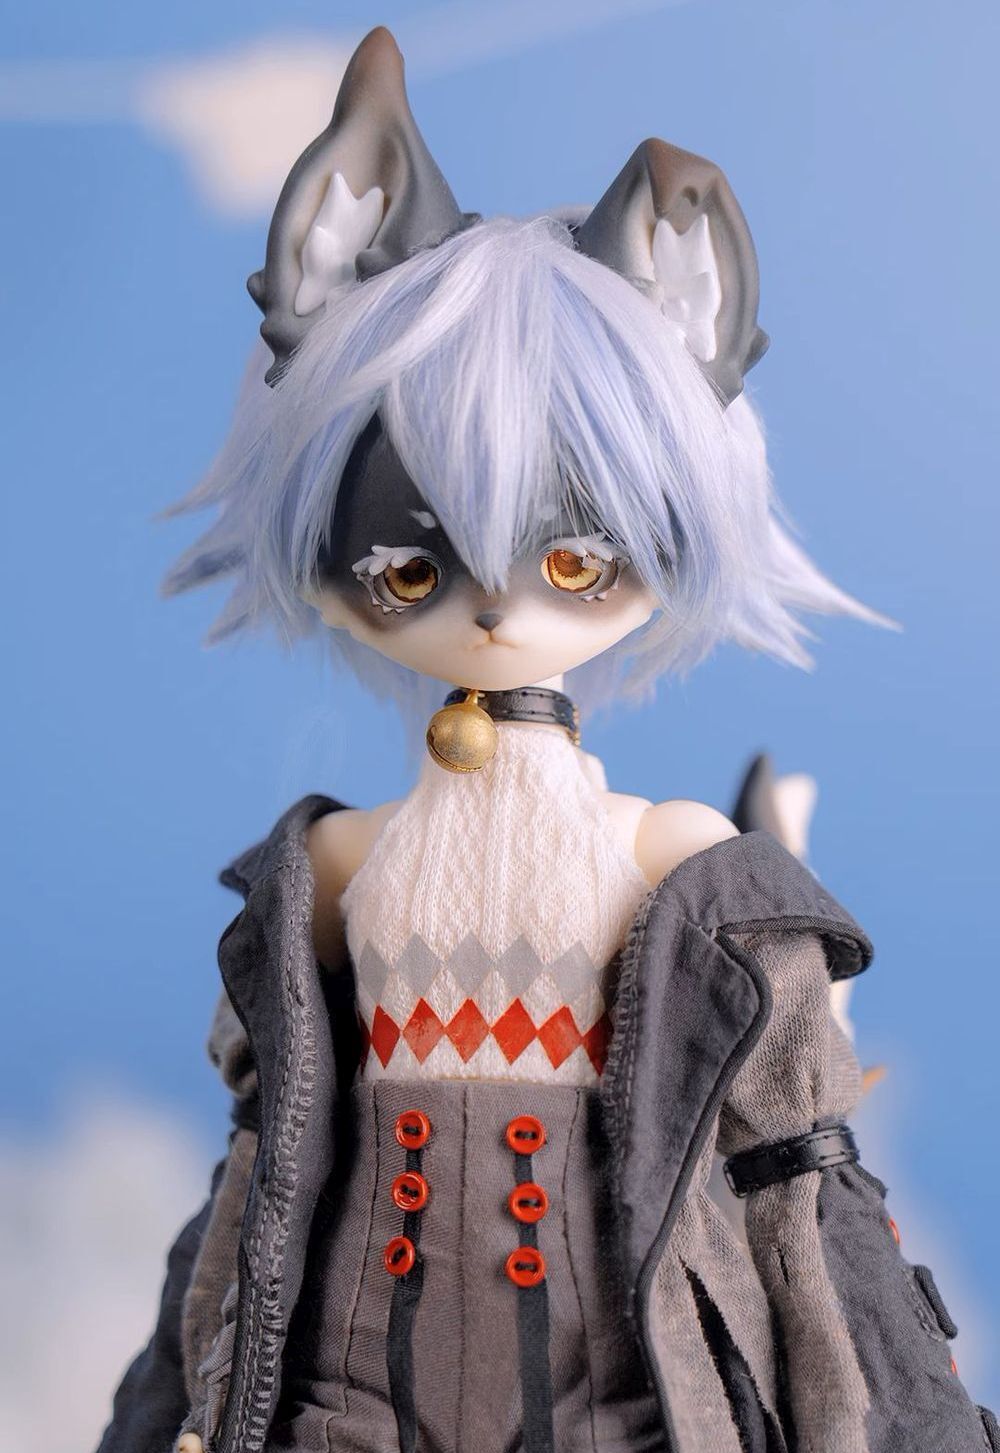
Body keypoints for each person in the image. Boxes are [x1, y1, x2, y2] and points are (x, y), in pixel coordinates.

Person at [96, 26, 998, 1453]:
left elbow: (792, 1178)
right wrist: (189, 1407)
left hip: (615, 1394)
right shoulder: (334, 866)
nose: (499, 606)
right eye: (411, 564)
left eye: (574, 561)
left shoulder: (677, 862)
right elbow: (261, 1176)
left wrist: (868, 1417)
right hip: (350, 1396)